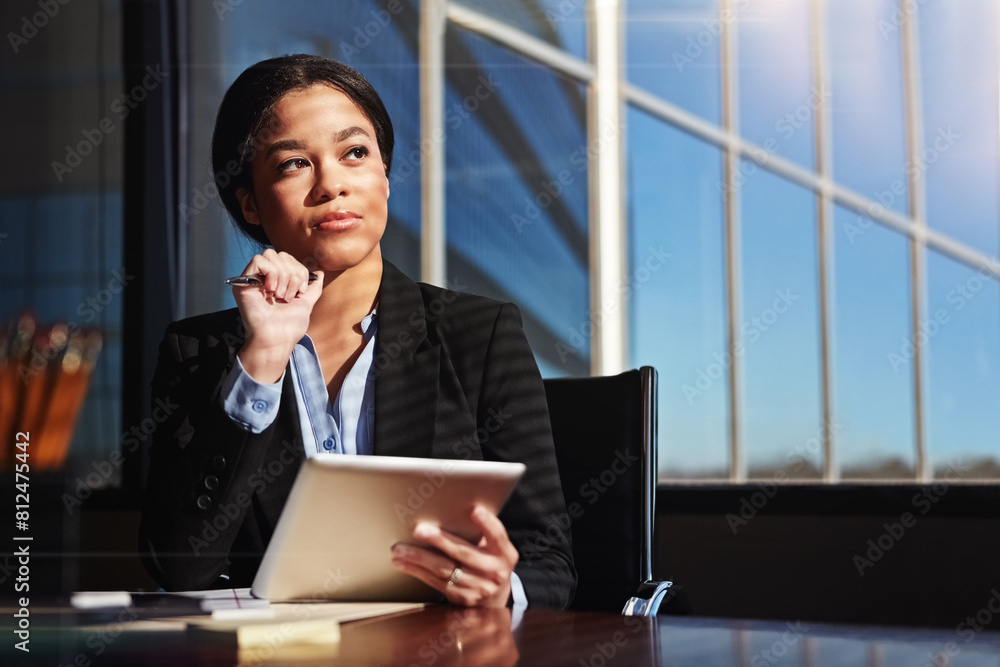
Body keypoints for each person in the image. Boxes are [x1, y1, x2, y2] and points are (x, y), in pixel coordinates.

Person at [138, 54, 576, 610]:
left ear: (384, 177)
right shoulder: (198, 353)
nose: (332, 185)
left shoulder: (479, 335)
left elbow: (551, 565)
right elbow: (178, 565)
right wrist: (263, 361)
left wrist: (500, 587)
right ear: (249, 202)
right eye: (294, 164)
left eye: (354, 153)